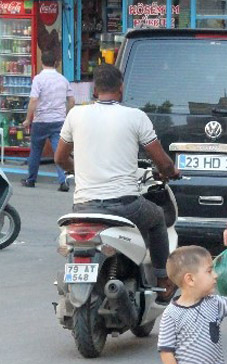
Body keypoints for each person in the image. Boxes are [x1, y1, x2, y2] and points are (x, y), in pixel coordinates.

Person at [54, 64, 179, 300]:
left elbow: (59, 157)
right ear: (120, 89)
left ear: (94, 90)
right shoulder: (135, 117)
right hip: (125, 206)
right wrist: (170, 172)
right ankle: (163, 280)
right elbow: (162, 162)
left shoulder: (76, 115)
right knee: (157, 218)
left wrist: (77, 169)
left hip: (84, 208)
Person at [21, 51, 74, 191]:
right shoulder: (63, 79)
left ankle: (31, 179)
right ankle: (63, 181)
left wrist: (28, 119)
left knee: (36, 151)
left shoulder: (38, 79)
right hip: (58, 121)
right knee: (59, 152)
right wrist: (68, 115)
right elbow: (71, 99)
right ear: (55, 63)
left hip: (41, 121)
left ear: (42, 62)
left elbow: (33, 100)